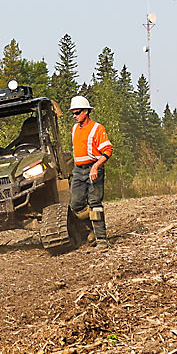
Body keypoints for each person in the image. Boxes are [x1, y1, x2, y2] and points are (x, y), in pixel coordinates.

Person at [62, 95, 113, 248]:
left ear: (86, 112)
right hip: (78, 170)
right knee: (75, 205)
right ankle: (90, 229)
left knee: (95, 203)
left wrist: (96, 167)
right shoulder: (74, 129)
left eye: (77, 113)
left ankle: (102, 240)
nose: (74, 116)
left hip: (93, 168)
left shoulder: (98, 128)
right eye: (73, 113)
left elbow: (108, 150)